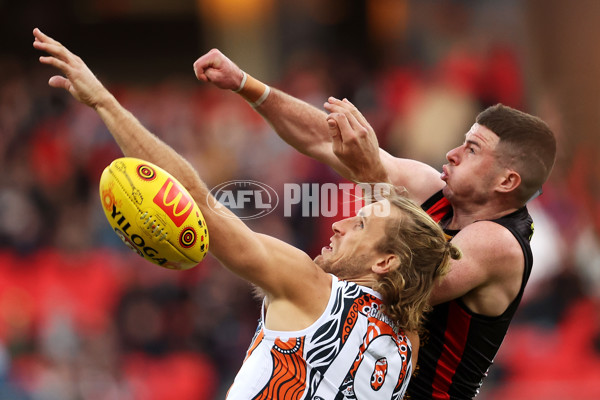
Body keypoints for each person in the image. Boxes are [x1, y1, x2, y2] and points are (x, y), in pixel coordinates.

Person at [33, 28, 461, 399]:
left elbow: (196, 202)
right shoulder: (406, 348)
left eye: (361, 223)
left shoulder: (314, 288)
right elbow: (419, 253)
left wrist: (105, 102)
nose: (341, 222)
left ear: (386, 262)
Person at [192, 49, 557, 399]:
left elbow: (397, 283)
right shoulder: (432, 188)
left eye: (473, 149)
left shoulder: (500, 244)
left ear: (506, 182)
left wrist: (370, 176)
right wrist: (246, 84)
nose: (452, 153)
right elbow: (324, 140)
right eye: (463, 142)